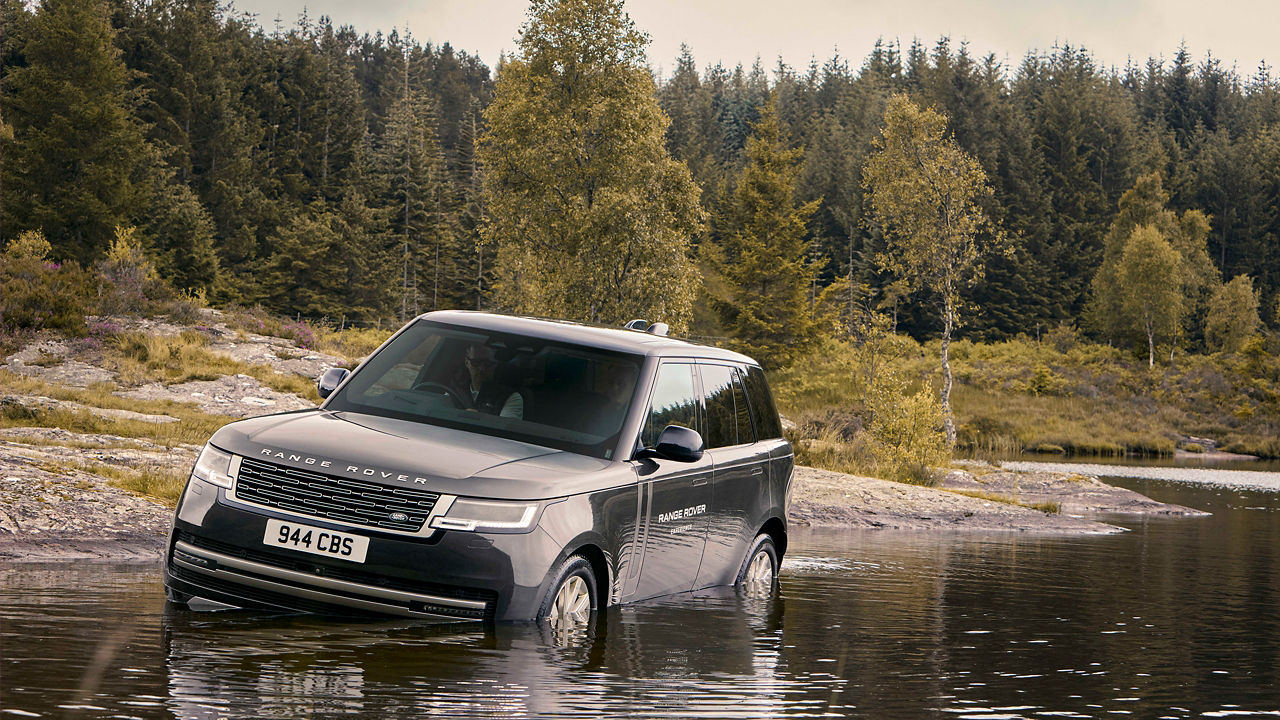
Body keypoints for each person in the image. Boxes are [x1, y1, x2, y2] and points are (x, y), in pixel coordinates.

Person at [460, 343, 524, 419]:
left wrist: (477, 418)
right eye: (476, 362)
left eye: (488, 364)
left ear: (496, 366)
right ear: (467, 362)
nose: (482, 369)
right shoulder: (455, 391)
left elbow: (505, 429)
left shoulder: (511, 397)